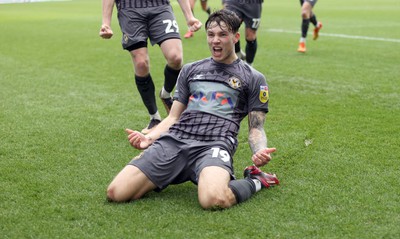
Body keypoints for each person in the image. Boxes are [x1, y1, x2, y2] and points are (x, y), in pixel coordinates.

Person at [106, 9, 279, 210]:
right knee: (116, 192)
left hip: (215, 144)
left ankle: (257, 180)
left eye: (223, 35)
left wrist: (259, 151)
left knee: (214, 199)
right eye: (211, 35)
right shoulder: (191, 70)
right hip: (176, 140)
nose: (216, 40)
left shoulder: (253, 78)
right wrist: (150, 137)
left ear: (235, 37)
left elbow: (256, 128)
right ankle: (170, 170)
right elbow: (173, 118)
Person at [99, 0, 202, 134]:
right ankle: (154, 118)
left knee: (175, 57)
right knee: (141, 64)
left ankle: (165, 94)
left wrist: (189, 16)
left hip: (160, 7)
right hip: (130, 9)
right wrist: (106, 23)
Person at [222, 0, 263, 65]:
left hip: (253, 3)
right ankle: (237, 57)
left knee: (251, 36)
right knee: (230, 29)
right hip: (233, 2)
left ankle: (249, 66)